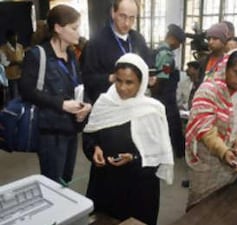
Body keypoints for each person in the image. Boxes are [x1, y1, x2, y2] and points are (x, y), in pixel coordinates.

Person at [83, 53, 174, 225]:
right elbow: (89, 135)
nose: (122, 88)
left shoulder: (152, 110)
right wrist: (94, 149)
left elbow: (158, 154)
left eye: (129, 82)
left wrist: (133, 158)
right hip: (105, 183)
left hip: (138, 189)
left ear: (142, 83)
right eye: (119, 80)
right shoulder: (104, 104)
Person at [19, 5, 92, 183]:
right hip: (50, 132)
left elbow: (79, 85)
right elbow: (27, 91)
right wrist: (61, 104)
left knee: (66, 180)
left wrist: (86, 105)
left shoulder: (72, 56)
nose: (78, 33)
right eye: (74, 28)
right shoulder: (38, 55)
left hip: (71, 129)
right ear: (59, 28)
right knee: (52, 183)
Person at [185, 50, 237, 209]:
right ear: (225, 69)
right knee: (201, 204)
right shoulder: (208, 90)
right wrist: (223, 151)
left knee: (224, 203)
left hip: (232, 159)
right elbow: (205, 129)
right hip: (208, 160)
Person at [81, 0, 153, 102]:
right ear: (113, 13)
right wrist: (111, 78)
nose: (127, 23)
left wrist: (149, 78)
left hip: (135, 103)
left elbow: (148, 65)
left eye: (132, 18)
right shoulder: (96, 41)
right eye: (122, 16)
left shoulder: (138, 39)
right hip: (109, 105)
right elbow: (87, 79)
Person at [150, 23, 186, 158]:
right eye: (179, 42)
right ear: (172, 38)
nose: (179, 46)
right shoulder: (166, 55)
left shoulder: (159, 50)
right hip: (165, 96)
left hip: (162, 95)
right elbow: (161, 77)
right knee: (173, 125)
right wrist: (158, 99)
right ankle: (179, 153)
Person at [0, 29, 25, 99]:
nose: (15, 39)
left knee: (23, 94)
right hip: (11, 76)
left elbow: (23, 57)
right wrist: (16, 62)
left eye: (16, 37)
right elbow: (4, 63)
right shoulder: (3, 49)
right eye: (13, 37)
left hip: (21, 74)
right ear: (8, 39)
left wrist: (22, 63)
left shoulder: (20, 46)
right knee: (15, 96)